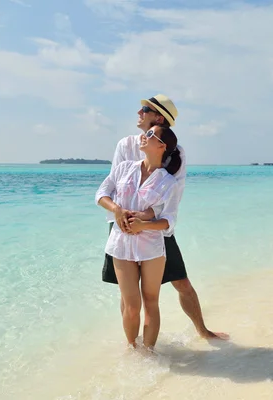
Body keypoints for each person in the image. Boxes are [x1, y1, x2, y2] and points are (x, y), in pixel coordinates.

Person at [102, 94, 229, 340]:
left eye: (145, 109)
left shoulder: (175, 152)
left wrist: (144, 219)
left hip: (156, 228)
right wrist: (122, 215)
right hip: (121, 226)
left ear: (158, 117)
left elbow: (173, 193)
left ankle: (203, 331)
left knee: (181, 281)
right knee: (128, 296)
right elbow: (113, 186)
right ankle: (133, 345)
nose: (139, 113)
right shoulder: (125, 145)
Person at [95, 124, 182, 349]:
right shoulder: (124, 168)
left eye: (151, 134)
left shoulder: (168, 182)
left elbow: (169, 221)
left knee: (151, 302)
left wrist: (144, 224)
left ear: (161, 146)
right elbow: (101, 193)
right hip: (121, 245)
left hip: (151, 248)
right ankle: (133, 351)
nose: (145, 136)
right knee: (131, 306)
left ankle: (150, 354)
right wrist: (116, 209)